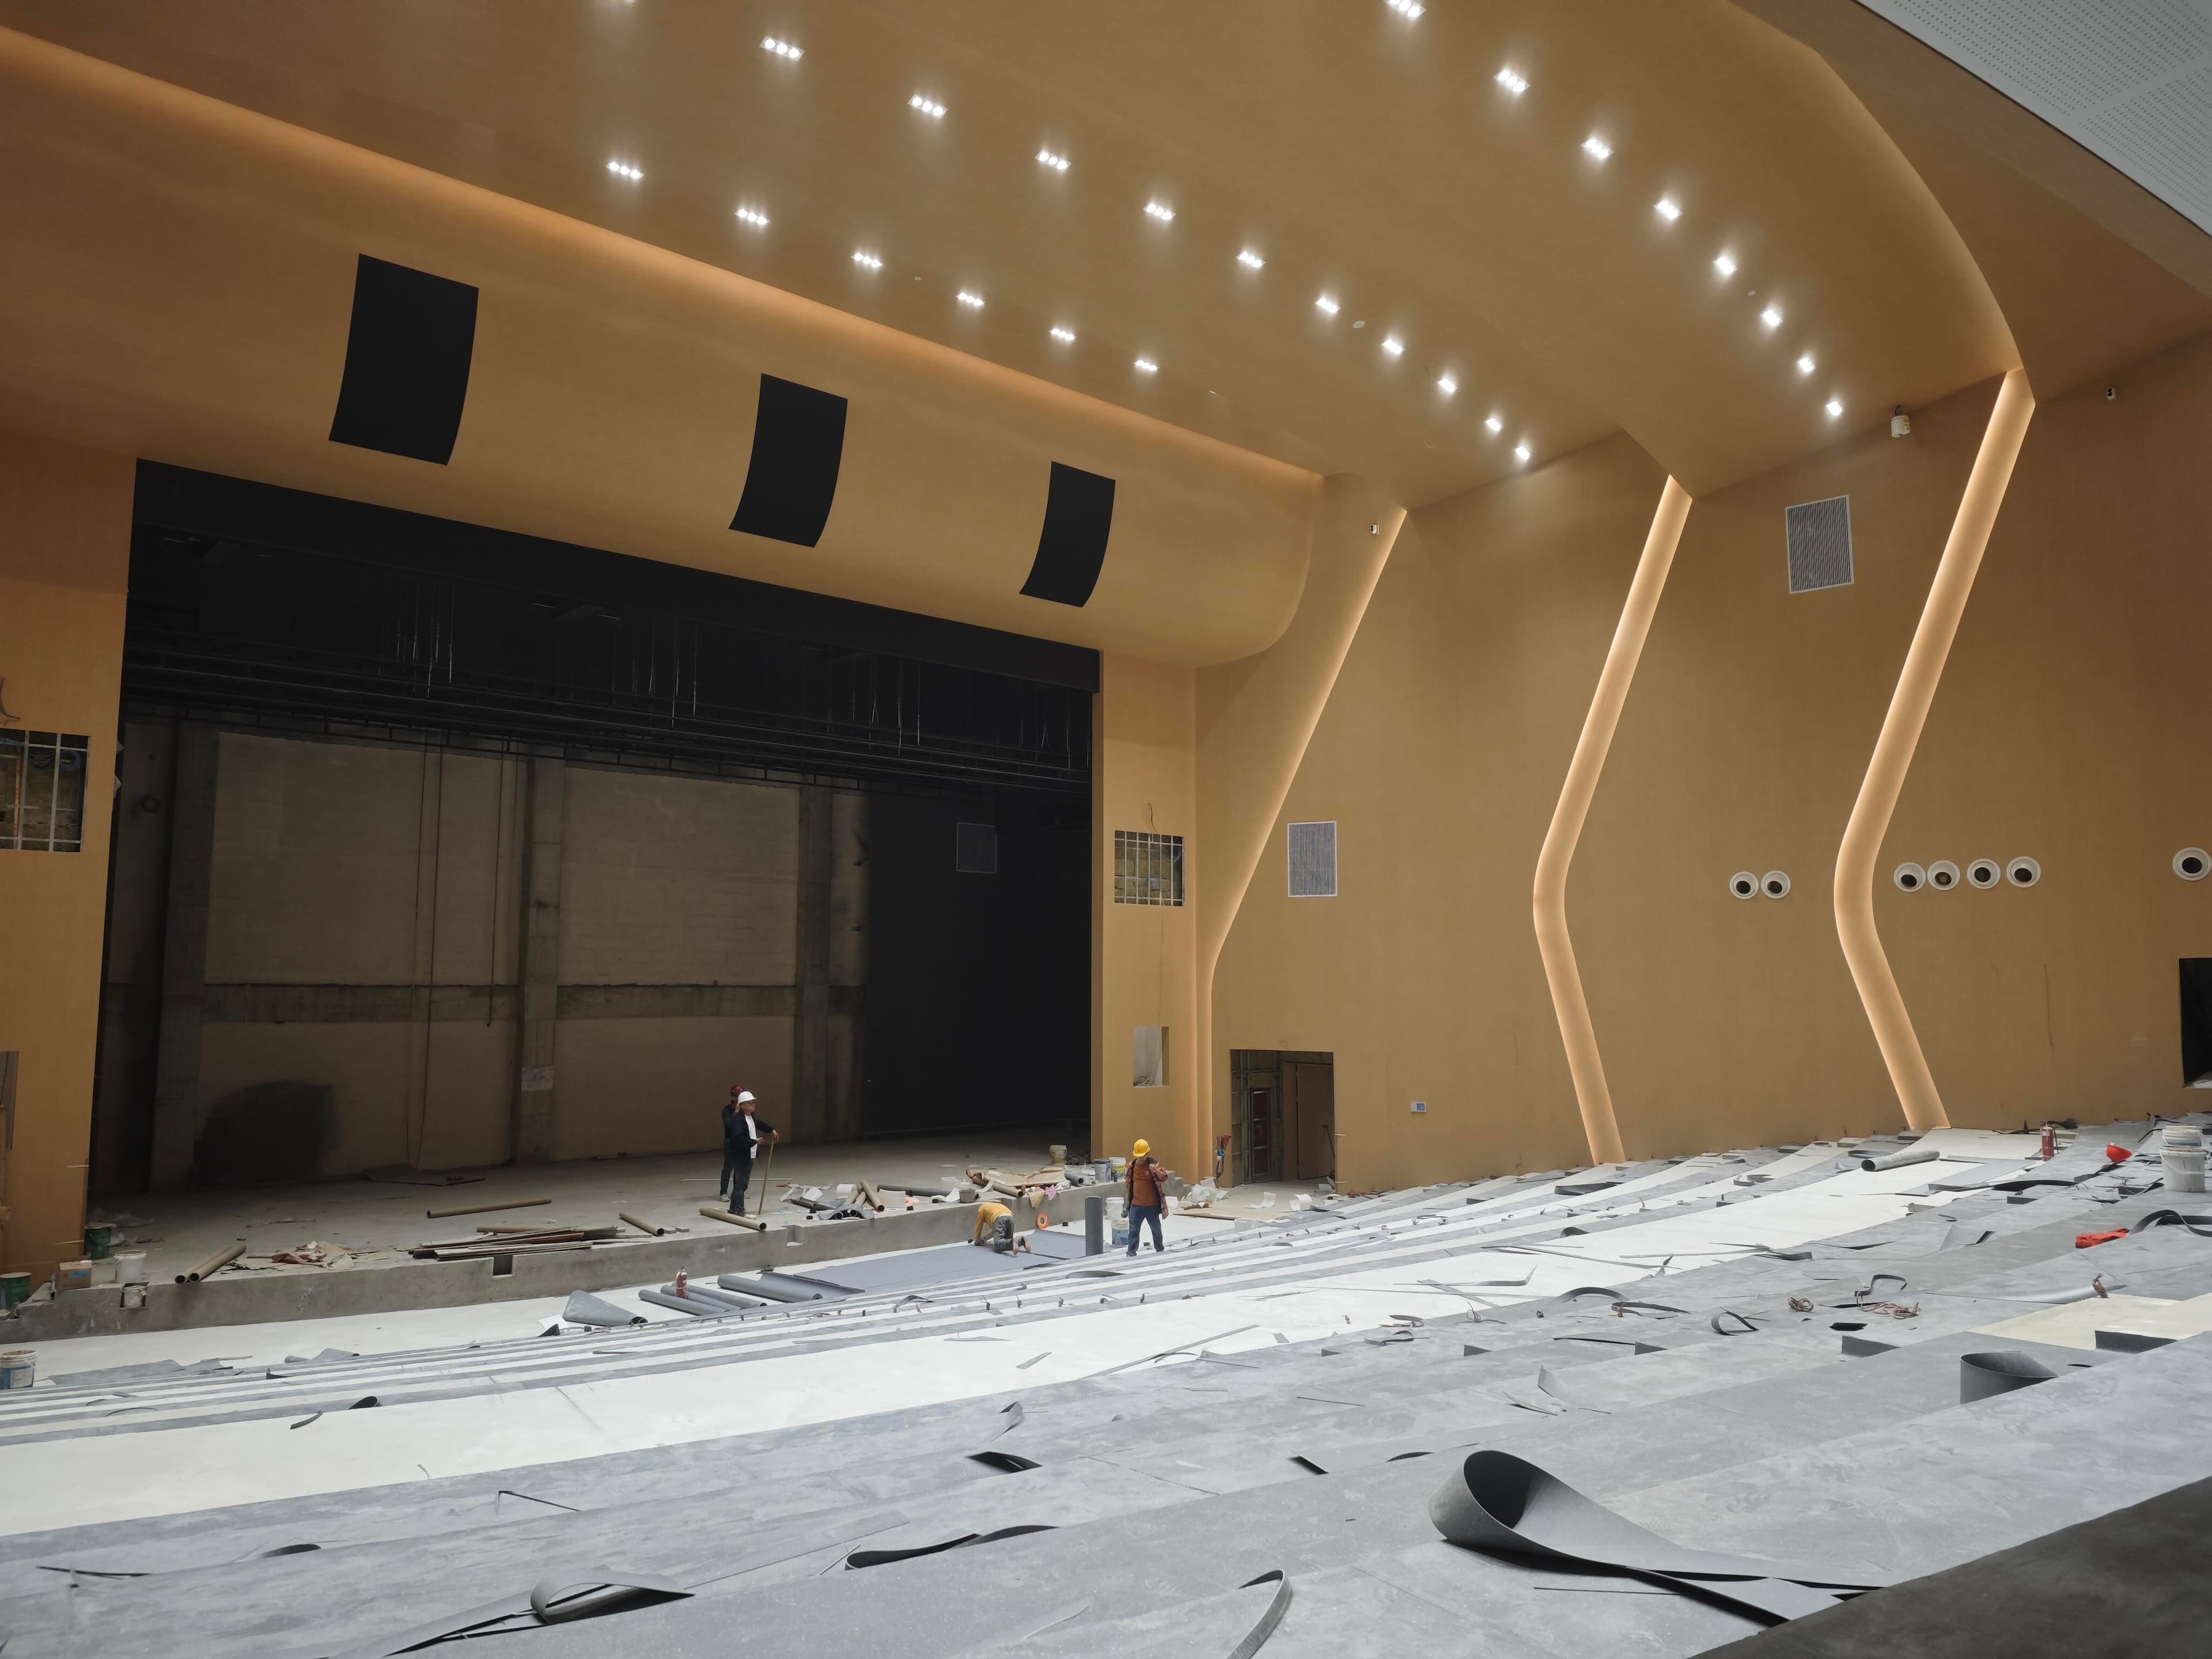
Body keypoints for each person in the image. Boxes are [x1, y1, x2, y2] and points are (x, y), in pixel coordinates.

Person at [722, 1088, 778, 1213]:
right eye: (749, 1103)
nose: (753, 1105)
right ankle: (739, 1210)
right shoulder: (738, 1120)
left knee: (741, 1184)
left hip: (748, 1155)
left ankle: (734, 1210)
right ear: (741, 1106)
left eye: (753, 1102)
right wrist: (754, 1142)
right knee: (741, 1185)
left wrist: (771, 1130)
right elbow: (738, 1139)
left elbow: (760, 1124)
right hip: (741, 1156)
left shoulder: (750, 1118)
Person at [1126, 1138, 1170, 1256]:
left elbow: (1164, 1177)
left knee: (1156, 1230)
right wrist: (1127, 1205)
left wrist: (1155, 1170)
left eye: (1143, 1155)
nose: (1141, 1158)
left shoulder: (1153, 1164)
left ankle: (1160, 1249)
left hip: (1151, 1206)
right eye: (1139, 1155)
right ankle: (1131, 1253)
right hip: (1136, 1205)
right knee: (1133, 1231)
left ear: (1147, 1153)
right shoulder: (1132, 1166)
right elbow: (1128, 1185)